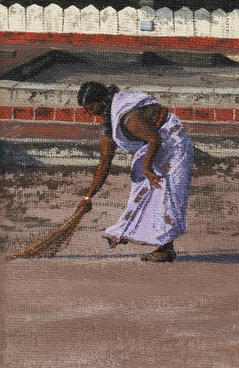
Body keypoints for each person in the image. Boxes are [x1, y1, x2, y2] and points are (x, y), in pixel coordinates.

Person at [75, 81, 194, 263]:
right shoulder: (110, 120)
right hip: (155, 145)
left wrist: (146, 167)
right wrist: (87, 197)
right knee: (143, 189)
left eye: (90, 108)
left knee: (167, 194)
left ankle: (164, 248)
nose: (89, 113)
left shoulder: (127, 117)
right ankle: (126, 231)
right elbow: (105, 162)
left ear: (102, 102)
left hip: (173, 144)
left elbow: (155, 139)